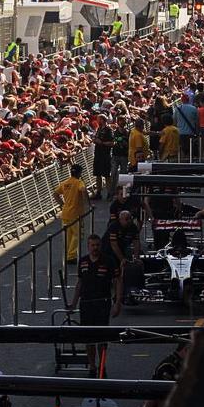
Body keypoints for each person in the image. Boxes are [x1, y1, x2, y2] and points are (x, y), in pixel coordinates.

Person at [69, 234, 122, 376]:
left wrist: (117, 302)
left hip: (102, 303)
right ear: (88, 246)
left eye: (97, 245)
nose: (95, 248)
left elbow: (117, 281)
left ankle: (102, 366)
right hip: (86, 304)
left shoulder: (109, 261)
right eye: (92, 245)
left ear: (100, 246)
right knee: (88, 338)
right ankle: (92, 367)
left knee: (102, 338)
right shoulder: (83, 262)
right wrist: (73, 304)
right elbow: (79, 283)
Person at [54, 164, 89, 263]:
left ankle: (68, 254)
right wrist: (87, 202)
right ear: (79, 173)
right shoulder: (79, 182)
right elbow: (83, 190)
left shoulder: (65, 183)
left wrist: (62, 204)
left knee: (69, 235)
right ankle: (71, 255)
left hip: (65, 213)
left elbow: (55, 194)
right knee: (78, 235)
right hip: (75, 213)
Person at [91, 115, 114, 200]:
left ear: (102, 120)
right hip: (97, 155)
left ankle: (109, 193)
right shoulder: (99, 129)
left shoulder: (109, 130)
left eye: (98, 119)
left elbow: (112, 143)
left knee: (107, 175)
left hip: (105, 156)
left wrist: (102, 143)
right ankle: (98, 192)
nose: (97, 121)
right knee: (98, 175)